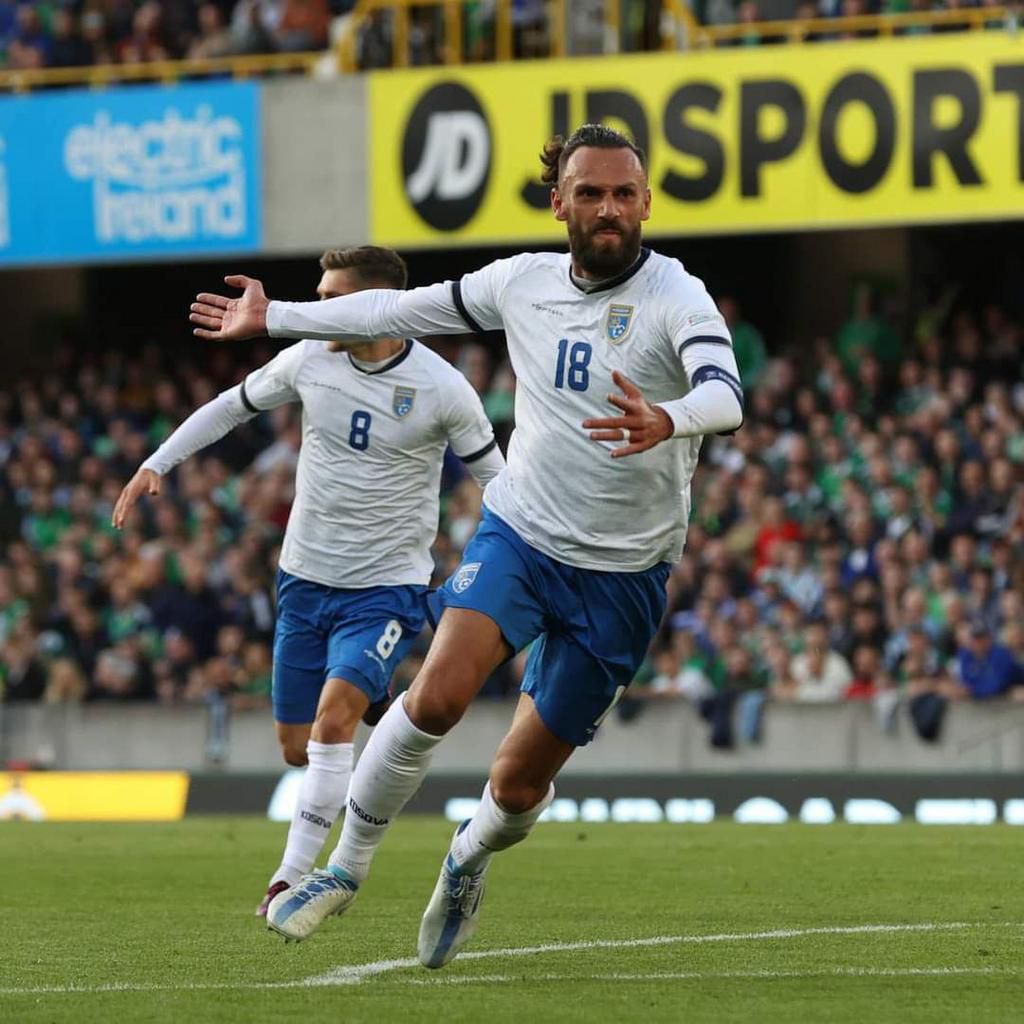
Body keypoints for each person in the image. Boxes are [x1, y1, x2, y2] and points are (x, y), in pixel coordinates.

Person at [189, 124, 743, 964]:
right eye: (590, 193)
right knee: (438, 696)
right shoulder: (519, 283)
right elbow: (390, 308)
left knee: (518, 785)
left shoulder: (677, 295)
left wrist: (669, 418)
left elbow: (725, 395)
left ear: (646, 204)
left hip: (623, 572)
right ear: (559, 203)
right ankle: (343, 869)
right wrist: (277, 318)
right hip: (522, 536)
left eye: (624, 194)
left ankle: (466, 860)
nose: (608, 209)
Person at [115, 246, 503, 917]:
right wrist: (158, 462)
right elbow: (231, 407)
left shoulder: (442, 388)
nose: (317, 309)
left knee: (330, 726)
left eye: (332, 299)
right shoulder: (309, 359)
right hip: (304, 580)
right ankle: (388, 709)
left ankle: (292, 878)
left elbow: (497, 480)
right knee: (298, 748)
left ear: (376, 304)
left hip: (386, 588)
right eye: (318, 298)